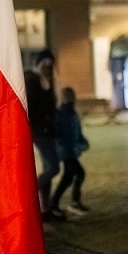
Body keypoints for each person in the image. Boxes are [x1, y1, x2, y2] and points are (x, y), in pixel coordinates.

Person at [25, 50, 62, 220]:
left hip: (48, 129)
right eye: (45, 64)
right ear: (39, 63)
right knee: (54, 167)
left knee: (48, 167)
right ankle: (29, 200)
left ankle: (45, 209)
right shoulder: (33, 79)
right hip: (40, 130)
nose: (48, 67)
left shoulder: (46, 80)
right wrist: (43, 122)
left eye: (50, 64)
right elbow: (31, 106)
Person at [51, 86, 89, 216]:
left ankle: (53, 203)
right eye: (67, 96)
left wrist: (83, 141)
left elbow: (77, 131)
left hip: (70, 150)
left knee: (67, 178)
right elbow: (58, 133)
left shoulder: (72, 113)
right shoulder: (60, 113)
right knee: (80, 173)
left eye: (71, 96)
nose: (70, 98)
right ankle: (74, 203)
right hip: (66, 151)